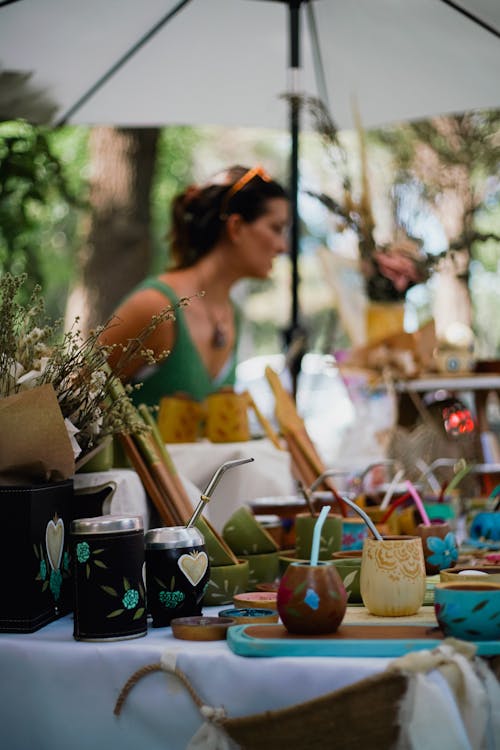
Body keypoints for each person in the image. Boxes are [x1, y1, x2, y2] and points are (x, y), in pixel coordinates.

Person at [101, 165, 289, 407]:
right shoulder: (156, 308)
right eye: (276, 228)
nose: (283, 246)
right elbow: (72, 403)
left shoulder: (233, 316)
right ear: (236, 227)